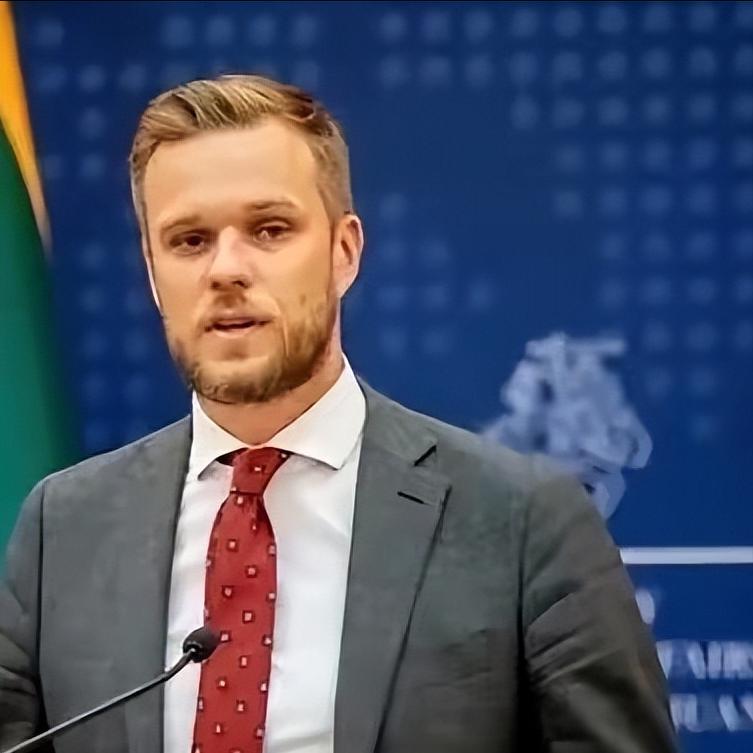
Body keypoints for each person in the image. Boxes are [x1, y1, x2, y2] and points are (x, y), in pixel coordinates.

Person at [0, 74, 678, 753]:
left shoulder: (522, 521)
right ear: (152, 273)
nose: (226, 270)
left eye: (268, 230)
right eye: (189, 240)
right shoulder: (65, 526)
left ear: (343, 252)